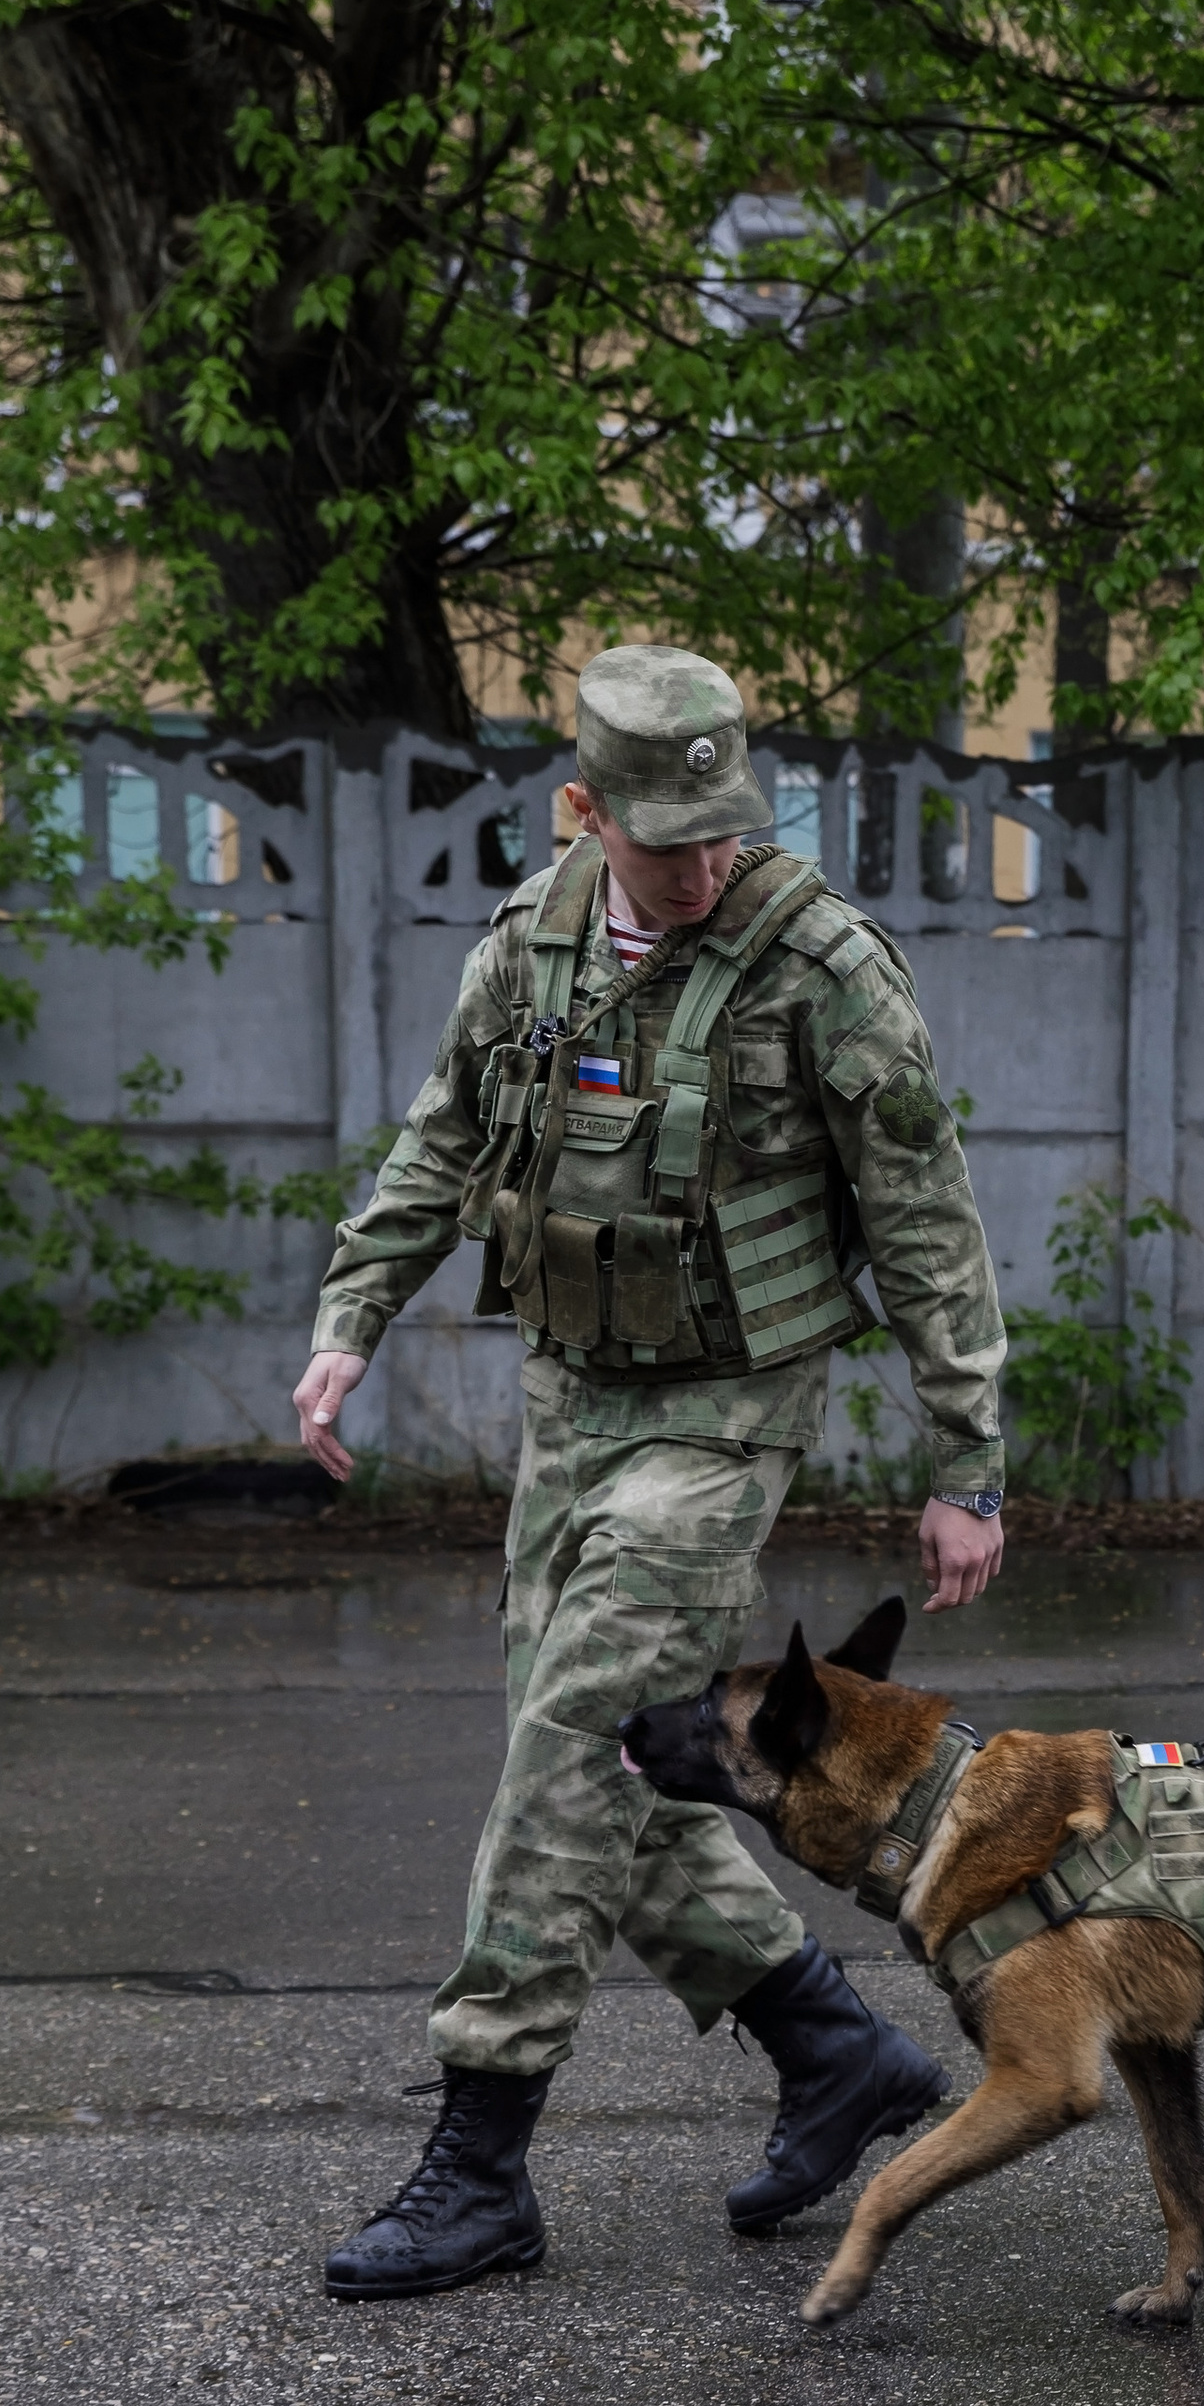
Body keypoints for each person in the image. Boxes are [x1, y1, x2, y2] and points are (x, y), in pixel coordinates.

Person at [290, 644, 1006, 2299]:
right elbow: (442, 1141)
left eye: (719, 831)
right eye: (660, 836)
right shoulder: (532, 941)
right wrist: (350, 1321)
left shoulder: (819, 965)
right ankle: (834, 2052)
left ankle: (480, 2160)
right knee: (613, 1765)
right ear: (582, 809)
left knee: (560, 1750)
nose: (696, 867)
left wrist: (965, 1450)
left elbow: (925, 1215)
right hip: (573, 1402)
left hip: (724, 1417)